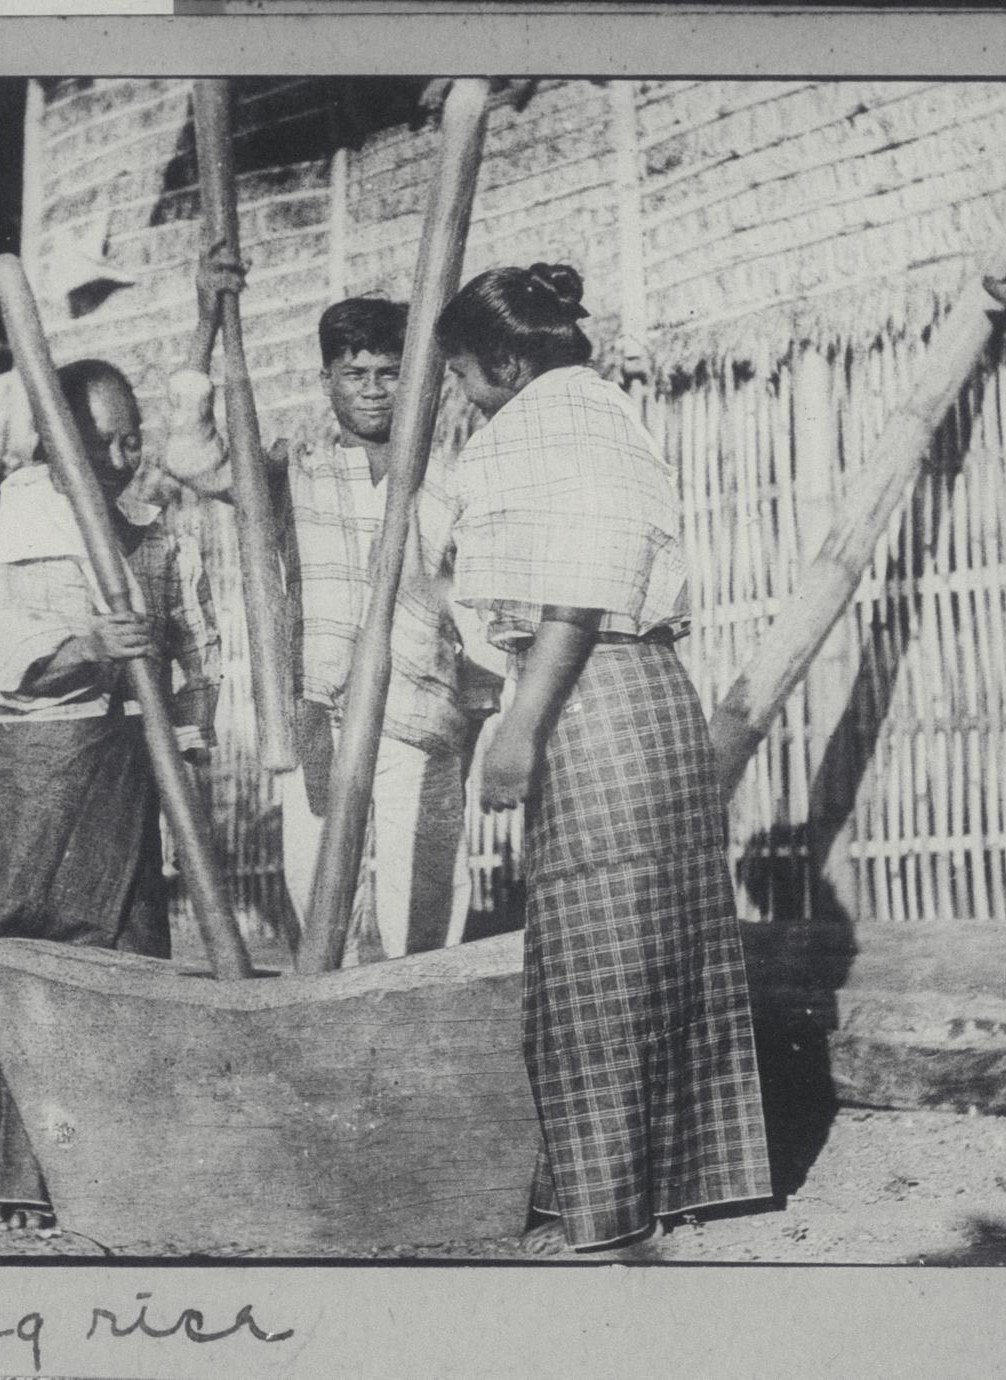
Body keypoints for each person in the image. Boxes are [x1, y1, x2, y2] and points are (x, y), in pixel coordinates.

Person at [433, 262, 771, 1256]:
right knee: (660, 941)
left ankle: (609, 1202)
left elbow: (574, 595)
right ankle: (680, 1182)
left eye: (463, 376)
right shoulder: (603, 411)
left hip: (589, 697)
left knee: (593, 951)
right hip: (655, 697)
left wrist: (520, 730)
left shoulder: (549, 422)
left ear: (504, 357)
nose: (462, 395)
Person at [0, 360, 219, 1231]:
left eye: (133, 436)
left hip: (129, 769)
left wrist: (190, 738)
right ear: (54, 439)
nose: (126, 455)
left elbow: (199, 650)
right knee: (10, 958)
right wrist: (86, 648)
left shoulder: (154, 535)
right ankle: (20, 1183)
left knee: (127, 954)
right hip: (39, 766)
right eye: (105, 438)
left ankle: (121, 1175)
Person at [163, 246, 497, 959]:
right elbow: (190, 457)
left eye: (389, 375)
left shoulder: (448, 482)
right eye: (356, 375)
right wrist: (205, 324)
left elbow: (474, 612)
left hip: (421, 713)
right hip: (319, 710)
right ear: (327, 382)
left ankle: (419, 1032)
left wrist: (474, 715)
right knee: (318, 901)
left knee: (427, 908)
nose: (374, 390)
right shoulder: (294, 473)